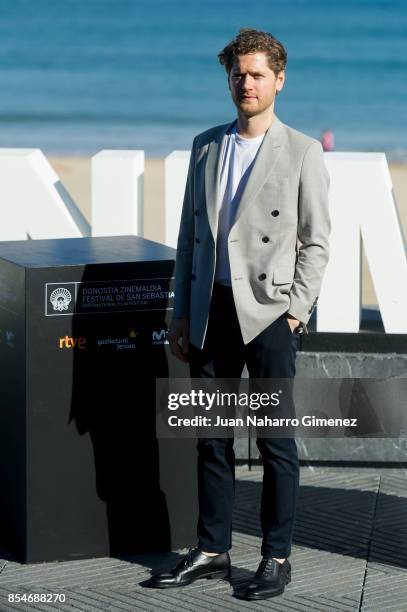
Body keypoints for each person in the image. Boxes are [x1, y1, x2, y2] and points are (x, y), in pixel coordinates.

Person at [147, 27, 331, 600]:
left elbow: (316, 240)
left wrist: (296, 312)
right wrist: (181, 310)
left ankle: (275, 556)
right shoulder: (206, 145)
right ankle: (212, 549)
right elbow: (189, 236)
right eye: (237, 74)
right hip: (209, 312)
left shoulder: (301, 150)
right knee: (211, 438)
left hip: (271, 313)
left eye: (256, 74)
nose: (245, 84)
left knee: (275, 441)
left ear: (279, 79)